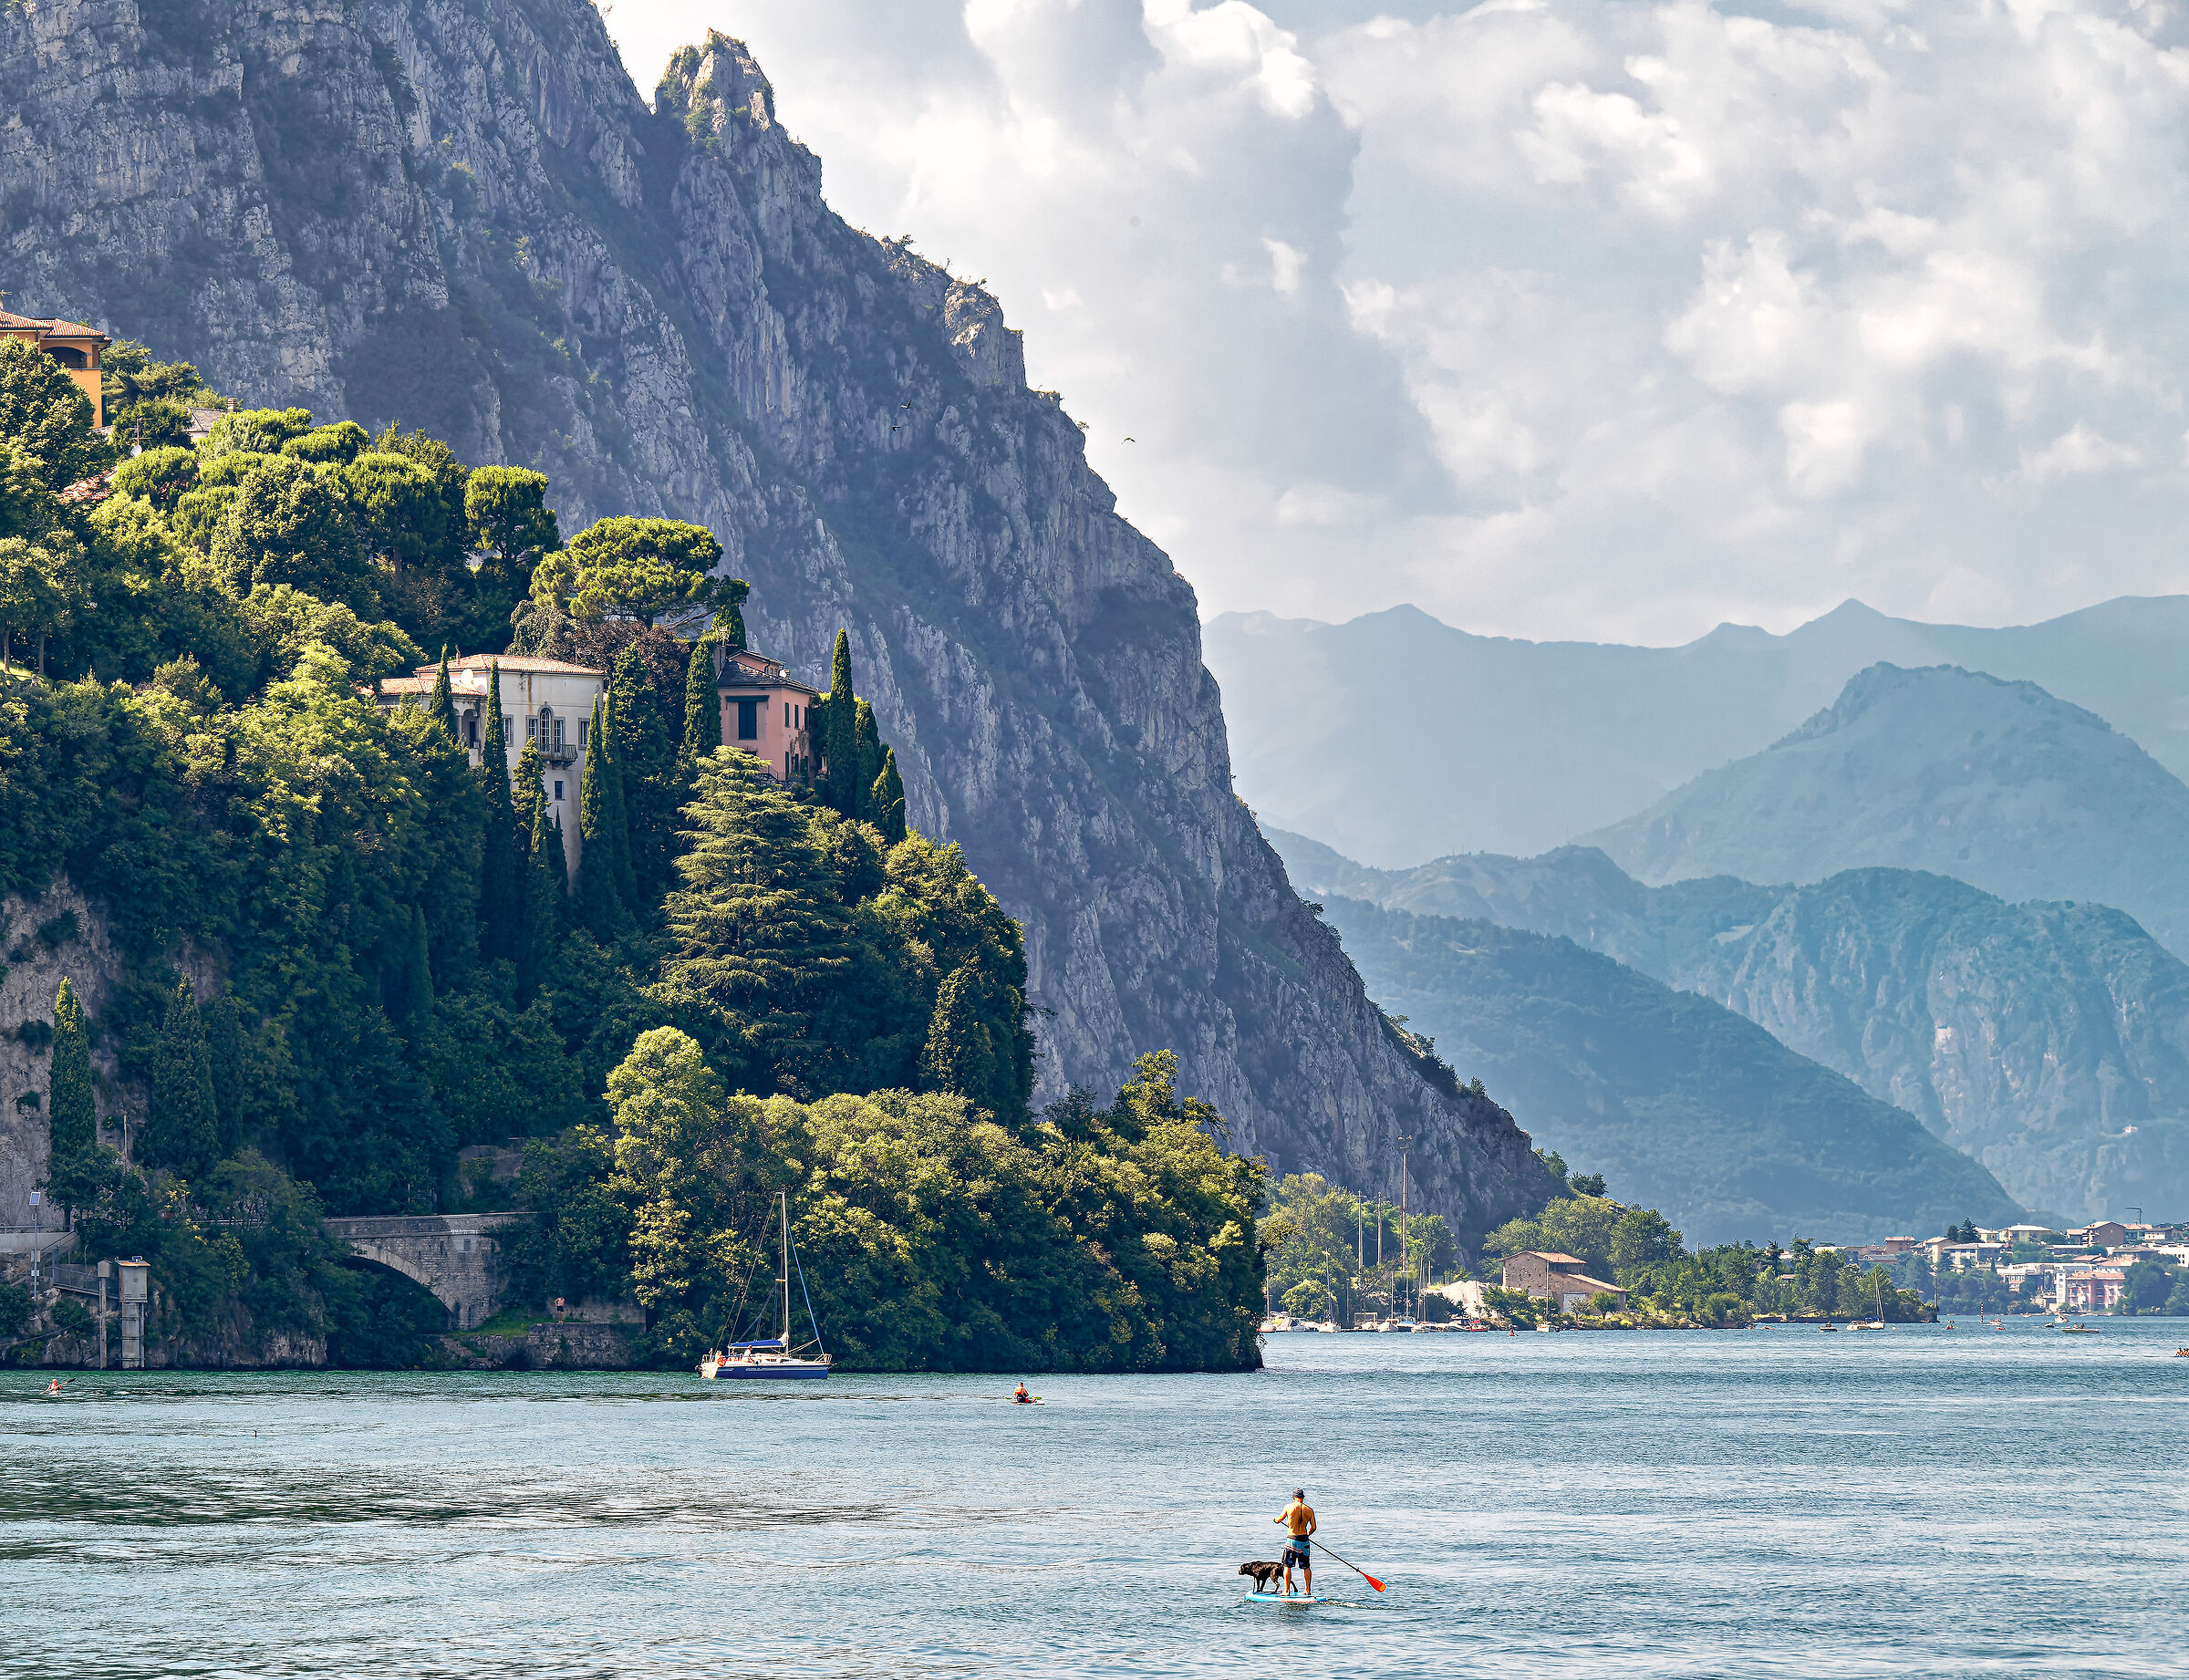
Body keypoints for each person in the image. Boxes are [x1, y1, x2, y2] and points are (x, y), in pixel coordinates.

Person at [1273, 1488, 1315, 1597]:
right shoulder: (1309, 1510)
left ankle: (1286, 1591)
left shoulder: (1288, 1507)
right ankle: (1307, 1590)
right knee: (1306, 1566)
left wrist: (1275, 1519)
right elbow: (1314, 1527)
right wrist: (1307, 1535)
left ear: (1293, 1497)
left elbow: (1278, 1520)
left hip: (1291, 1539)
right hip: (1304, 1541)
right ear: (1303, 1498)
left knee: (1287, 1566)